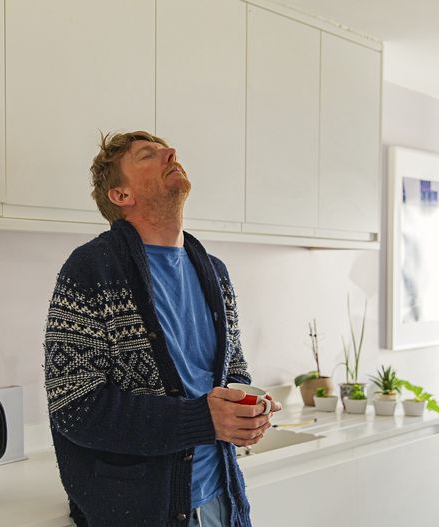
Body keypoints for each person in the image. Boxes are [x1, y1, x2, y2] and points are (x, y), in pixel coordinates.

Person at [43, 131, 281, 527]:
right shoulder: (92, 269)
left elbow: (233, 371)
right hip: (139, 513)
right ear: (121, 194)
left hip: (222, 500)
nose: (171, 153)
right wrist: (202, 419)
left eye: (165, 149)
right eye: (147, 155)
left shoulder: (214, 272)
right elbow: (75, 407)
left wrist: (246, 410)